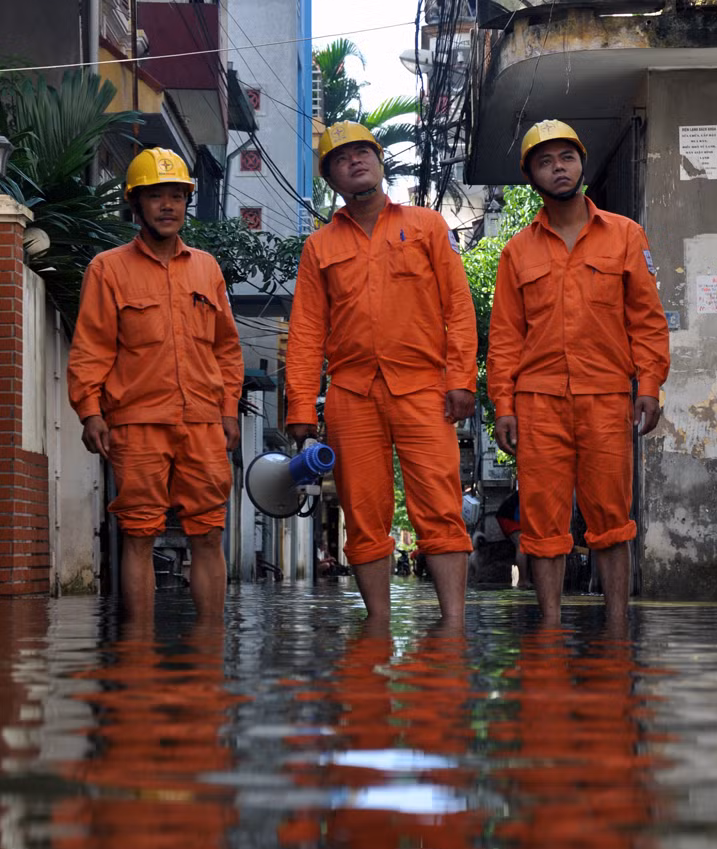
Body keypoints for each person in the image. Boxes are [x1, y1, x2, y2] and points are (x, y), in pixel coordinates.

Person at [286, 122, 478, 627]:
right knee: (362, 512)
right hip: (351, 394)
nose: (355, 161)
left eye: (363, 152)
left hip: (424, 388)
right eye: (341, 157)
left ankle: (453, 625)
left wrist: (461, 379)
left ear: (379, 160)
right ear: (331, 177)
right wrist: (301, 405)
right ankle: (377, 626)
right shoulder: (319, 247)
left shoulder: (427, 226)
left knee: (439, 504)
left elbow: (458, 307)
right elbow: (306, 331)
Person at [488, 119, 670, 627]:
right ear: (531, 177)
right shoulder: (516, 251)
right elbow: (505, 338)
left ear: (582, 164)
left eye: (566, 157)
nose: (558, 168)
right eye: (545, 162)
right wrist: (503, 405)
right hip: (538, 403)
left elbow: (647, 319)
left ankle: (616, 627)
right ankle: (549, 628)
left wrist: (649, 385)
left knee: (611, 518)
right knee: (542, 523)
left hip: (606, 397)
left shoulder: (625, 235)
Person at [67, 148, 244, 621]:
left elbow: (226, 348)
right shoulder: (107, 269)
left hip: (203, 422)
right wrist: (90, 412)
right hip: (137, 420)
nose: (167, 206)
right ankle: (138, 648)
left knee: (208, 532)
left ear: (187, 202)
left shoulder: (207, 268)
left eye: (177, 196)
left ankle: (209, 644)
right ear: (136, 204)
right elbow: (91, 347)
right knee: (139, 533)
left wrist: (229, 411)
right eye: (155, 196)